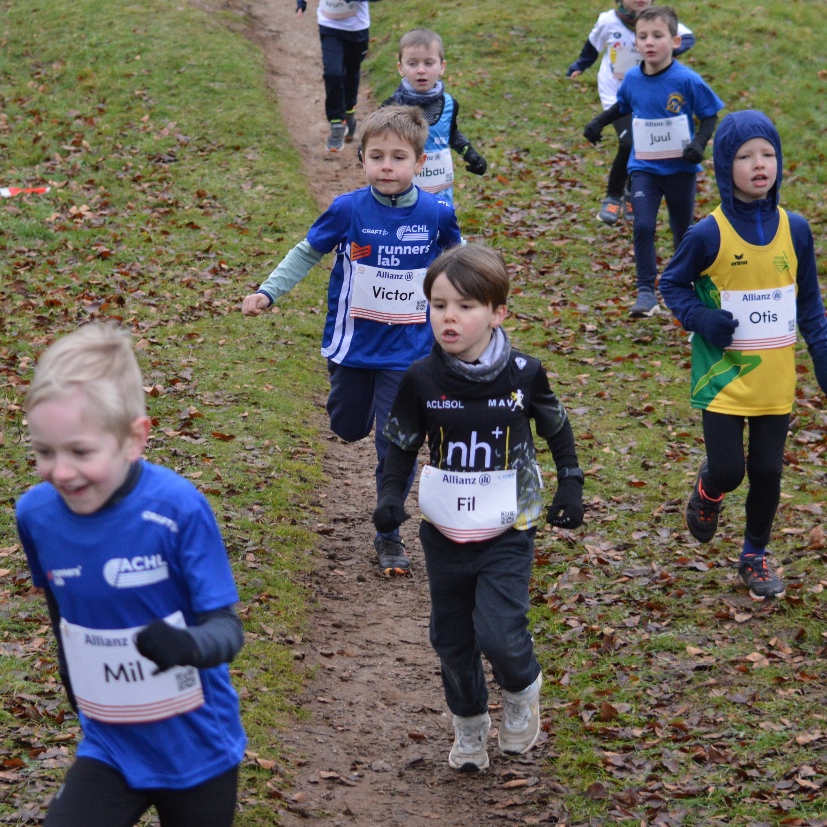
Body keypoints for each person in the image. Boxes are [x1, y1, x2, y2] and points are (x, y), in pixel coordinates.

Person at [15, 322, 247, 827]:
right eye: (44, 452)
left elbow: (228, 632)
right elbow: (60, 617)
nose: (61, 472)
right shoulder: (36, 515)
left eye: (81, 452)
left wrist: (183, 646)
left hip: (200, 751)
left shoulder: (177, 510)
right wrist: (81, 698)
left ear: (134, 439)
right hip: (112, 747)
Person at [372, 244, 585, 771]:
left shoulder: (523, 373)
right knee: (450, 637)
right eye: (439, 304)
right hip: (445, 529)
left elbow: (555, 425)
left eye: (466, 306)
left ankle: (521, 687)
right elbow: (399, 444)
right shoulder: (421, 378)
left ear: (497, 312)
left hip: (509, 523)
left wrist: (570, 483)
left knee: (498, 632)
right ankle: (469, 725)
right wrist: (389, 498)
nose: (450, 316)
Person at [240, 106, 462, 576]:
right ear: (361, 159)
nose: (387, 166)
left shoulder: (437, 213)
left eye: (398, 157)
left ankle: (389, 530)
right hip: (352, 348)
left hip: (408, 352)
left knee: (394, 439)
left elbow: (457, 265)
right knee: (346, 426)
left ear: (419, 163)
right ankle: (356, 422)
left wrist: (469, 315)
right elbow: (307, 252)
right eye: (376, 156)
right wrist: (267, 292)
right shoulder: (347, 209)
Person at [659, 110, 827, 601]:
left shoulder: (795, 229)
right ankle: (707, 491)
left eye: (768, 154)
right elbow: (672, 285)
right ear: (725, 166)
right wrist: (701, 320)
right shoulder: (708, 234)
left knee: (767, 471)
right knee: (729, 470)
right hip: (723, 377)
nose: (759, 164)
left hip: (775, 381)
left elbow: (808, 299)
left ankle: (754, 554)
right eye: (745, 156)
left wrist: (824, 355)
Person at [582, 5, 721, 319]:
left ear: (674, 41)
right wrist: (597, 123)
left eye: (657, 35)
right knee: (643, 226)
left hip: (681, 171)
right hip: (644, 168)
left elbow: (710, 114)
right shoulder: (632, 77)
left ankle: (682, 288)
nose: (649, 42)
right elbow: (621, 106)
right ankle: (646, 292)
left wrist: (699, 144)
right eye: (642, 36)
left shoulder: (687, 80)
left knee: (682, 232)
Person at [567, 0, 696, 226]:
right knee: (628, 142)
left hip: (648, 95)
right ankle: (612, 198)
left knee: (643, 144)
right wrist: (580, 65)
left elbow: (687, 37)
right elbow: (592, 45)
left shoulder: (659, 21)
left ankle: (631, 193)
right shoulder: (609, 21)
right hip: (616, 94)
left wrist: (666, 49)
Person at [384, 28, 488, 206]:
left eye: (429, 63)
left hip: (440, 194)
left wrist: (470, 154)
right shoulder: (391, 107)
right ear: (401, 68)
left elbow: (452, 134)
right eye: (412, 63)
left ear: (442, 67)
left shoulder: (449, 104)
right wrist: (364, 151)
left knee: (440, 230)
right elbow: (375, 140)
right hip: (402, 195)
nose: (421, 70)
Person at [296, 0, 382, 152]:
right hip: (330, 26)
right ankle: (336, 122)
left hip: (357, 29)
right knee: (333, 73)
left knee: (351, 72)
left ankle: (349, 112)